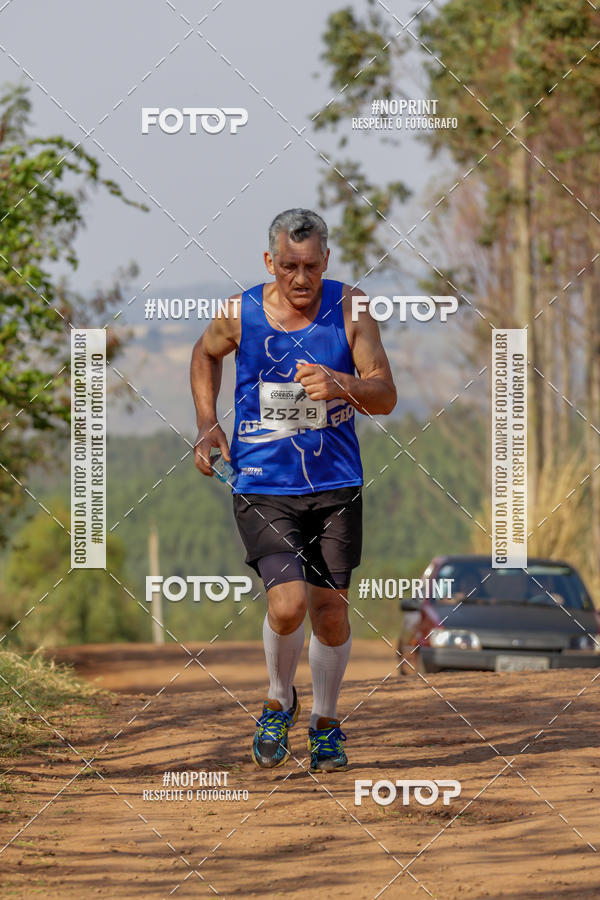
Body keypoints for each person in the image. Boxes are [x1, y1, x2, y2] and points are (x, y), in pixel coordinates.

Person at [190, 208, 396, 773]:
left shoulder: (352, 309)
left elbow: (385, 395)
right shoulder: (240, 312)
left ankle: (325, 723)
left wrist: (343, 384)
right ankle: (278, 701)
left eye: (310, 266)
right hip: (263, 483)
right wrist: (207, 422)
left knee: (330, 612)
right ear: (269, 261)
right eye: (288, 266)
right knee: (287, 605)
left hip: (335, 483)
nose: (300, 279)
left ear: (326, 260)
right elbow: (204, 353)